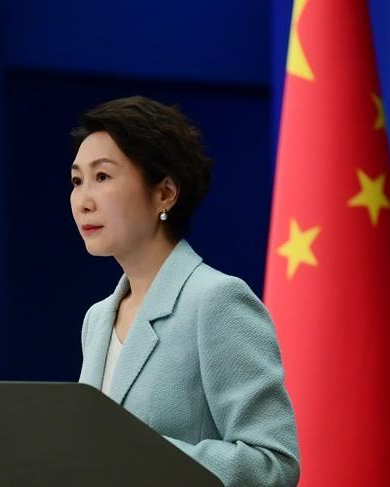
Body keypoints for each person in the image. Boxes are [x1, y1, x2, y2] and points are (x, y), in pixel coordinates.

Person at [70, 96, 300, 487]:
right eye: (77, 181)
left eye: (103, 177)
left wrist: (139, 452)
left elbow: (274, 463)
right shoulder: (98, 318)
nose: (83, 202)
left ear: (165, 193)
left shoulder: (217, 300)